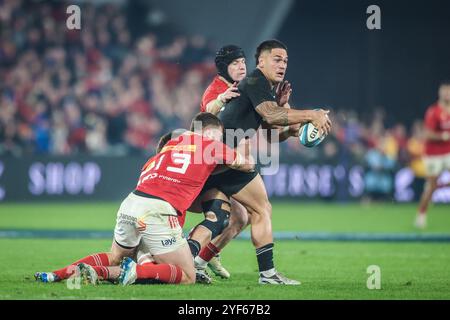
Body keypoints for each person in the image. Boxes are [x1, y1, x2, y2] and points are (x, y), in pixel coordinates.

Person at [35, 112, 254, 285]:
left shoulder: (167, 147)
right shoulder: (211, 145)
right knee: (187, 276)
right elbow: (247, 164)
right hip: (159, 210)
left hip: (131, 203)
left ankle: (57, 274)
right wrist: (245, 139)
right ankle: (130, 270)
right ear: (208, 132)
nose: (220, 140)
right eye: (218, 135)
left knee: (115, 256)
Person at [194, 39, 331, 285]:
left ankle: (195, 262)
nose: (282, 65)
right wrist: (313, 114)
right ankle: (267, 275)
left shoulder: (260, 86)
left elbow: (269, 132)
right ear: (261, 62)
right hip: (225, 158)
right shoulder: (256, 81)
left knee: (234, 218)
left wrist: (292, 131)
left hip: (215, 159)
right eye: (276, 59)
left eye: (286, 61)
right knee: (261, 209)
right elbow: (270, 114)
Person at [188, 45, 248, 280]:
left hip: (224, 164)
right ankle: (194, 254)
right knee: (247, 214)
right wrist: (221, 99)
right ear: (224, 68)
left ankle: (205, 255)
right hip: (210, 167)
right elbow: (208, 109)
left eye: (243, 61)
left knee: (241, 218)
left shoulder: (242, 88)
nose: (242, 66)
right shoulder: (216, 89)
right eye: (235, 63)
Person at [415, 81, 450, 229]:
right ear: (440, 93)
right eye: (445, 91)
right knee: (431, 187)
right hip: (433, 154)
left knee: (434, 185)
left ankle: (440, 185)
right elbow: (427, 133)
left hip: (447, 152)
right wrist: (443, 136)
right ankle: (421, 215)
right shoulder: (433, 111)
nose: (447, 94)